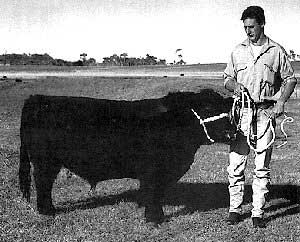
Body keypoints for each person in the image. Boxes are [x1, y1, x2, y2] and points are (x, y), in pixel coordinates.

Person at [223, 6, 297, 228]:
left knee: (261, 166)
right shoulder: (237, 51)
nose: (248, 31)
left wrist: (281, 101)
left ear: (262, 24)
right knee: (236, 165)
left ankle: (258, 213)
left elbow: (290, 79)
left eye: (252, 27)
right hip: (241, 114)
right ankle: (235, 209)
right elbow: (226, 78)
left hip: (265, 113)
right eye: (245, 27)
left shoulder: (276, 51)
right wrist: (234, 85)